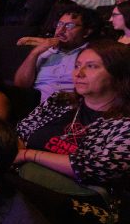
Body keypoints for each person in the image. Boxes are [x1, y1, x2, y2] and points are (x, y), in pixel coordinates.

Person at [15, 40, 130, 186]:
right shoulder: (59, 100)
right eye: (77, 65)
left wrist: (29, 155)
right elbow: (20, 131)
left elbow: (98, 167)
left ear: (118, 74)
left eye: (91, 66)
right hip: (24, 180)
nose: (78, 73)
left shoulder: (125, 123)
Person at [14, 6, 99, 102]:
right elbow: (21, 86)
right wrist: (34, 53)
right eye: (59, 24)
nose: (61, 30)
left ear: (86, 32)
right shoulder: (44, 51)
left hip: (72, 105)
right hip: (36, 104)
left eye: (69, 26)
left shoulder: (93, 54)